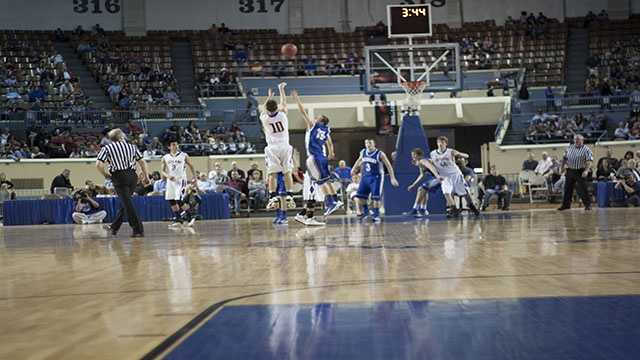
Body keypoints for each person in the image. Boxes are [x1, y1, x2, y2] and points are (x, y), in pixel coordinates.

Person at [292, 90, 342, 222]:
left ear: (319, 121)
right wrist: (331, 152)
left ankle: (326, 205)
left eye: (317, 117)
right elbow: (329, 142)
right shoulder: (326, 130)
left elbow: (303, 112)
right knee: (320, 183)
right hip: (322, 157)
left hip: (315, 158)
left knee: (317, 184)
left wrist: (297, 100)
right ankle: (331, 201)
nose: (314, 118)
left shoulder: (313, 126)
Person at [96, 128, 150, 237]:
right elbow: (142, 162)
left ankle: (138, 229)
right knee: (126, 202)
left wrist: (105, 174)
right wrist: (146, 176)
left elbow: (98, 164)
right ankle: (114, 226)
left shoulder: (107, 148)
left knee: (127, 203)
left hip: (119, 176)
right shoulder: (132, 147)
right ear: (121, 136)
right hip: (132, 176)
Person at [260, 82, 294, 224]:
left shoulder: (265, 118)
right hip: (285, 147)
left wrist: (268, 97)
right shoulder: (283, 116)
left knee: (271, 175)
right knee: (287, 173)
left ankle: (272, 196)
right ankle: (291, 195)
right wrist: (281, 90)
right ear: (276, 108)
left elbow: (263, 109)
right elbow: (284, 103)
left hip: (272, 148)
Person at [429, 136, 480, 218]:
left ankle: (472, 207)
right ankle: (454, 210)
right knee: (446, 193)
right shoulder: (432, 154)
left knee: (464, 193)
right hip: (444, 176)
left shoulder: (450, 151)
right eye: (439, 142)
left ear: (446, 143)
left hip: (455, 174)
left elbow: (467, 156)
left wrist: (459, 154)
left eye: (442, 142)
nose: (440, 144)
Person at [351, 139, 399, 223]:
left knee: (375, 198)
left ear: (374, 144)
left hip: (376, 177)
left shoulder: (380, 154)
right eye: (366, 143)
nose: (368, 144)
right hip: (365, 177)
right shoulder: (363, 152)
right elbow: (359, 160)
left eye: (370, 143)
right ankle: (366, 212)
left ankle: (376, 215)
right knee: (360, 197)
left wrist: (392, 178)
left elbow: (388, 166)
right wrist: (354, 168)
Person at [162, 141, 196, 227]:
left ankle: (191, 217)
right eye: (173, 144)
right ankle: (178, 219)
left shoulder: (184, 155)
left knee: (178, 199)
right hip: (171, 181)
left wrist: (194, 177)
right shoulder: (165, 157)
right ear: (169, 147)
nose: (176, 146)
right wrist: (168, 176)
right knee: (171, 200)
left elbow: (192, 166)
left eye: (176, 144)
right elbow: (162, 171)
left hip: (180, 180)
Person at [558, 135, 593, 211]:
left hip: (580, 170)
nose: (577, 141)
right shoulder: (569, 148)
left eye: (578, 140)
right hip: (570, 170)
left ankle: (588, 205)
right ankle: (566, 205)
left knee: (583, 188)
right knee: (567, 188)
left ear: (582, 140)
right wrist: (562, 168)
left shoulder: (586, 149)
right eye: (575, 139)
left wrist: (586, 170)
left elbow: (589, 161)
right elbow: (564, 158)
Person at [406, 148, 442, 217]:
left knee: (421, 189)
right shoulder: (420, 162)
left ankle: (415, 209)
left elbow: (431, 167)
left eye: (414, 155)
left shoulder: (423, 160)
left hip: (441, 177)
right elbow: (421, 175)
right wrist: (413, 185)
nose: (412, 156)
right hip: (437, 177)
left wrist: (437, 176)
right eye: (412, 155)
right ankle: (423, 210)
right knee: (424, 190)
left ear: (418, 155)